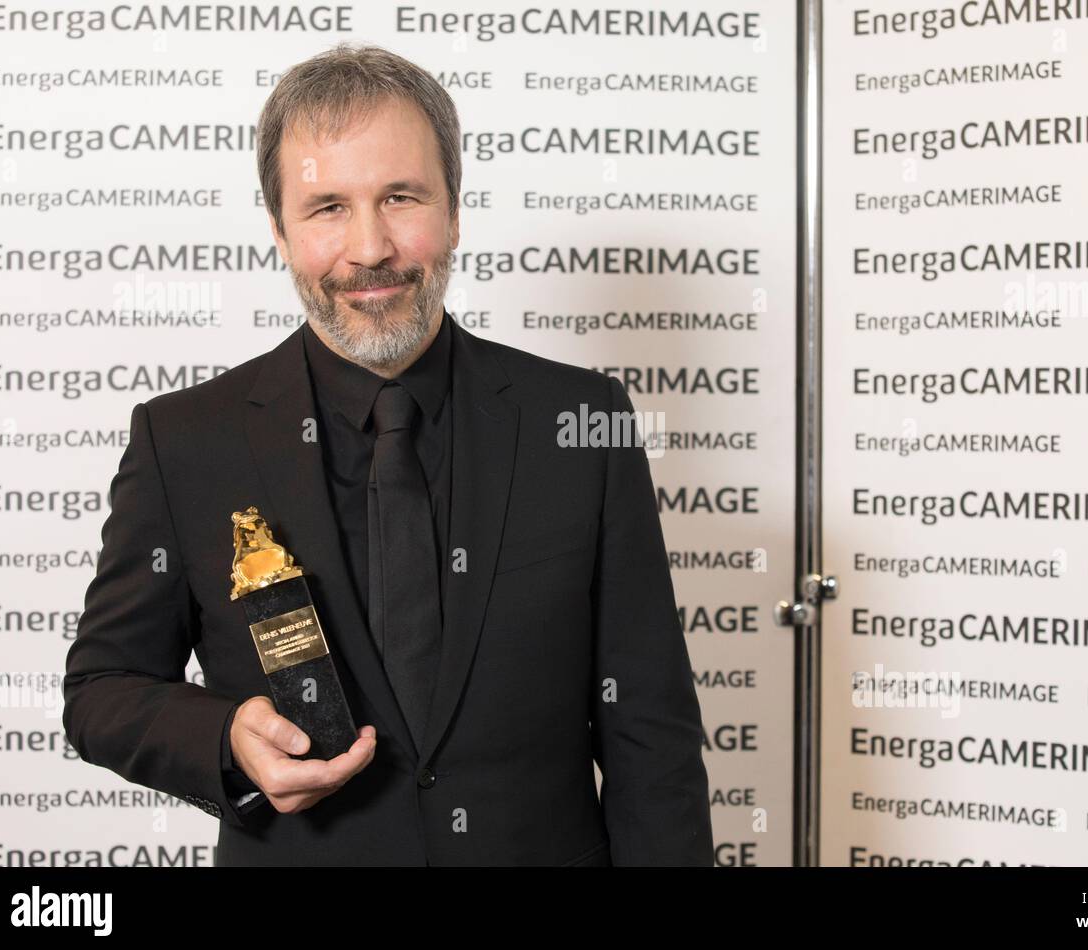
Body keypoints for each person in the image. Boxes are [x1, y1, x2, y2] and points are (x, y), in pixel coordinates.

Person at [61, 43, 713, 866]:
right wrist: (225, 736)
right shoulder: (185, 439)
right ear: (279, 231)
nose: (370, 248)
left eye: (401, 197)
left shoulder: (582, 421)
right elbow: (101, 691)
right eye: (327, 207)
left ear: (455, 210)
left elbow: (650, 731)